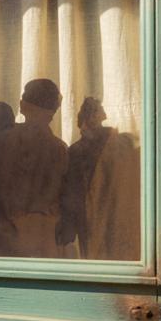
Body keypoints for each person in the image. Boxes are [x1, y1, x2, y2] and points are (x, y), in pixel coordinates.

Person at [0, 78, 69, 257]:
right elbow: (67, 205)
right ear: (53, 111)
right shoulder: (60, 150)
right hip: (47, 248)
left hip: (5, 246)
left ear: (23, 106)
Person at [57, 97, 140, 260]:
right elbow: (72, 192)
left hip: (113, 217)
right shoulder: (79, 150)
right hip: (94, 219)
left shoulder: (119, 146)